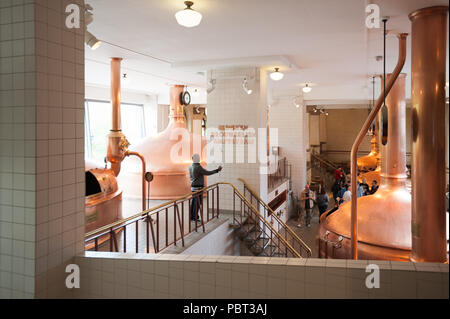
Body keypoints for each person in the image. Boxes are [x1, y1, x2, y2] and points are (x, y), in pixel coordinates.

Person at [188, 154, 222, 221]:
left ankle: (192, 216)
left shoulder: (190, 166)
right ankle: (194, 217)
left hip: (193, 186)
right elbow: (207, 173)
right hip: (198, 187)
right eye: (198, 158)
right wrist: (217, 170)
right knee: (197, 202)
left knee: (194, 201)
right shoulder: (198, 167)